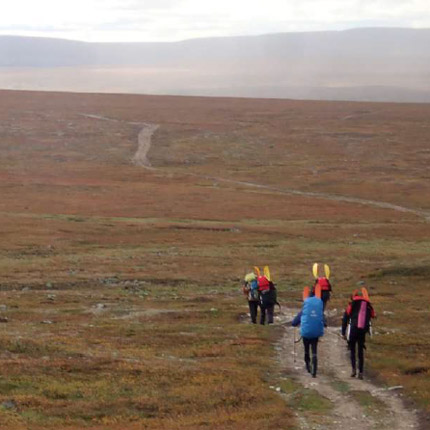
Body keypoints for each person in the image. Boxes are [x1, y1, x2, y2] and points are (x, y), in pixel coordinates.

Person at [341, 288, 376, 379]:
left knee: (352, 350)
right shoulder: (367, 305)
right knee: (360, 350)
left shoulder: (352, 304)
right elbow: (373, 315)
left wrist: (343, 332)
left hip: (353, 329)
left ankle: (353, 370)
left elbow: (345, 318)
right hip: (362, 330)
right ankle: (361, 372)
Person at [292, 291, 325, 377]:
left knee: (306, 349)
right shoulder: (318, 309)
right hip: (316, 332)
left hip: (306, 333)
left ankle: (308, 365)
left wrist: (294, 323)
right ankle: (314, 365)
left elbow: (296, 320)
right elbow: (323, 319)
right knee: (314, 349)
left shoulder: (304, 309)